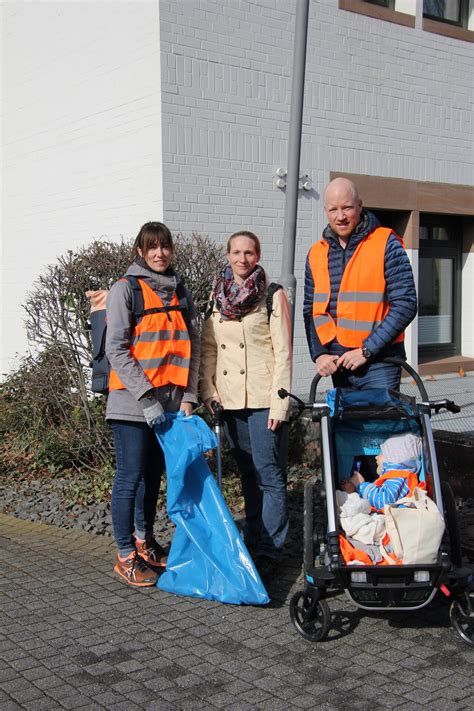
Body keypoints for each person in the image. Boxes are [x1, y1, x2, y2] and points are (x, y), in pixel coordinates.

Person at [105, 221, 200, 587]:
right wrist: (146, 398)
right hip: (132, 404)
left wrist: (189, 396)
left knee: (153, 477)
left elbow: (191, 347)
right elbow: (116, 348)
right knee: (129, 478)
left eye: (165, 246)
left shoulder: (181, 291)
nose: (160, 253)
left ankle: (146, 543)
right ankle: (125, 554)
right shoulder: (125, 290)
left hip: (171, 406)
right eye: (152, 247)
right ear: (140, 252)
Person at [199, 231, 292, 577]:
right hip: (230, 398)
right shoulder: (216, 297)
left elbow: (284, 352)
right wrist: (208, 391)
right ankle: (253, 538)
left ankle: (271, 550)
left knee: (269, 475)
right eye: (236, 252)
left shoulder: (271, 295)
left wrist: (280, 404)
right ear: (227, 255)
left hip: (264, 398)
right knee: (248, 474)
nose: (242, 259)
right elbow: (209, 348)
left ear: (258, 254)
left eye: (249, 252)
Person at [303, 177, 417, 390]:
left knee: (379, 423)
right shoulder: (316, 253)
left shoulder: (386, 243)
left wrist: (366, 351)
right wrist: (319, 354)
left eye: (347, 208)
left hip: (380, 364)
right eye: (333, 210)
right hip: (339, 365)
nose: (341, 217)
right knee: (346, 424)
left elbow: (406, 304)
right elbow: (311, 311)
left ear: (360, 206)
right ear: (325, 210)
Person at [341, 432, 423, 511]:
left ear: (392, 458)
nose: (376, 457)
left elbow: (383, 501)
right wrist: (354, 490)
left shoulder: (400, 477)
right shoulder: (395, 477)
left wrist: (360, 485)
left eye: (381, 453)